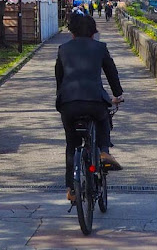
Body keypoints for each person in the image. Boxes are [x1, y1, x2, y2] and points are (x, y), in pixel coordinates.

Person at [55, 13, 124, 204]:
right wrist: (117, 94)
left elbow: (59, 78)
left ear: (72, 33)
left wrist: (62, 97)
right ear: (93, 33)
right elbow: (111, 73)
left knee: (72, 143)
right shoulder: (100, 48)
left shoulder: (63, 49)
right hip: (94, 101)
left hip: (69, 103)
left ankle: (71, 189)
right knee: (103, 119)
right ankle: (103, 151)